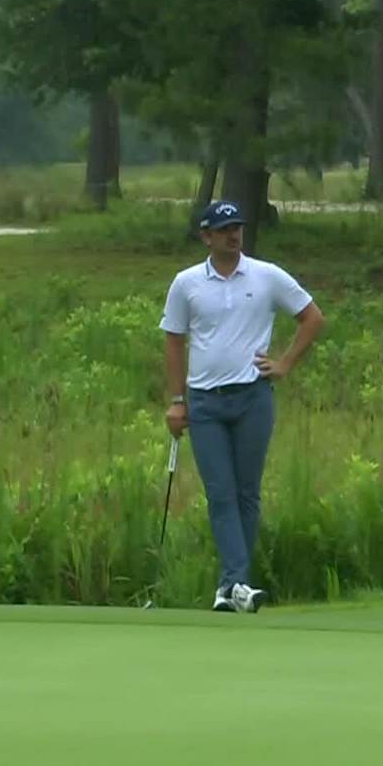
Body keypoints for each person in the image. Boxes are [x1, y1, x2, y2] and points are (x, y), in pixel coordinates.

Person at [159, 200, 326, 613]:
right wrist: (177, 401)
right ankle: (236, 583)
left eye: (238, 227)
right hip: (205, 402)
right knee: (221, 493)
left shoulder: (266, 276)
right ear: (207, 236)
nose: (234, 234)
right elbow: (174, 341)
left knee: (247, 493)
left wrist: (284, 363)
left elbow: (313, 317)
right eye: (224, 228)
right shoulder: (187, 283)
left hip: (253, 398)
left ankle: (230, 588)